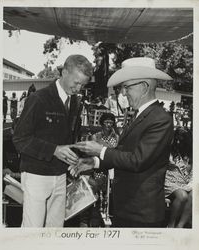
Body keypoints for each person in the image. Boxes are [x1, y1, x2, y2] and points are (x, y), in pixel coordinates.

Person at [70, 57, 174, 227]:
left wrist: (100, 151)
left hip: (141, 212)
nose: (123, 93)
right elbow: (123, 153)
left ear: (144, 87)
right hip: (127, 208)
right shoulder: (140, 116)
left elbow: (137, 160)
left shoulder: (160, 119)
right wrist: (94, 162)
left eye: (127, 87)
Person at [13, 55, 93, 227]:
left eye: (83, 85)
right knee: (32, 231)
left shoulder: (75, 103)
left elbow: (70, 138)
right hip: (36, 174)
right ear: (64, 72)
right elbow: (20, 139)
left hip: (61, 175)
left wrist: (76, 158)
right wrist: (54, 150)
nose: (78, 88)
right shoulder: (39, 98)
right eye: (76, 82)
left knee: (55, 231)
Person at [164, 127, 192, 228]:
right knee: (183, 196)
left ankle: (180, 225)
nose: (178, 142)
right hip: (170, 182)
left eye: (181, 140)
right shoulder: (170, 152)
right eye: (176, 139)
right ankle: (171, 225)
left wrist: (189, 186)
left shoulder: (192, 154)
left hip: (186, 183)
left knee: (194, 195)